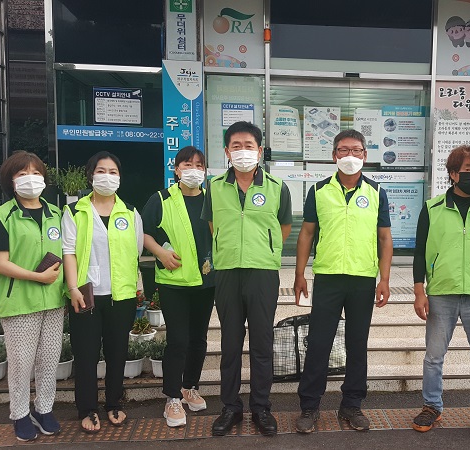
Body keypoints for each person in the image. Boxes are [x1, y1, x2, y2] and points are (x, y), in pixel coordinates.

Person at [293, 129, 393, 433]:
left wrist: (384, 279)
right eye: (343, 150)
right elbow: (307, 233)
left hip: (363, 279)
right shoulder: (319, 190)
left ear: (365, 155)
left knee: (356, 344)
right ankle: (309, 407)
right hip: (328, 278)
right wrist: (299, 274)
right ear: (334, 155)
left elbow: (385, 238)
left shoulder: (376, 192)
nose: (350, 156)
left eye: (357, 150)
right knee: (319, 344)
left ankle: (352, 405)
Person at [409, 145, 470, 443]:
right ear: (453, 174)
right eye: (468, 170)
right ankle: (431, 406)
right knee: (434, 357)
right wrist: (418, 290)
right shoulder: (432, 208)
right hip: (442, 292)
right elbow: (419, 250)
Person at [202, 121, 293, 437]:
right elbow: (213, 225)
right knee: (229, 343)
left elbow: (283, 228)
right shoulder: (213, 186)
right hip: (227, 272)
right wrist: (230, 248)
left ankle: (261, 408)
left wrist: (260, 249)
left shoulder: (278, 187)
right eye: (236, 146)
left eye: (249, 145)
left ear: (259, 151)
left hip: (262, 272)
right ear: (227, 151)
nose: (243, 152)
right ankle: (230, 407)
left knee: (262, 344)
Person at [62, 151, 144, 433]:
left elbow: (136, 252)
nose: (107, 176)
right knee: (85, 355)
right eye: (101, 170)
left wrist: (136, 287)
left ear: (119, 178)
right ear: (91, 175)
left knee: (117, 352)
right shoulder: (75, 211)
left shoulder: (130, 212)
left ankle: (114, 404)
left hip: (121, 296)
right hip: (85, 294)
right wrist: (72, 287)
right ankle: (87, 408)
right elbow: (68, 252)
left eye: (113, 172)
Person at [0, 151, 64, 442]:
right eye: (22, 174)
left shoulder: (55, 213)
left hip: (53, 300)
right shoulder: (2, 216)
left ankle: (44, 409)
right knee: (21, 362)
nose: (30, 179)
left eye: (35, 173)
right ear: (11, 180)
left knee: (49, 359)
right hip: (19, 301)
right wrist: (38, 277)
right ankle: (19, 413)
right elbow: (0, 263)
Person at [142, 146, 215, 428]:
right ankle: (172, 398)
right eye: (188, 164)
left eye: (199, 165)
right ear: (176, 169)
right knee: (179, 340)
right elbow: (144, 233)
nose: (194, 169)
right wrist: (159, 253)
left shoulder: (212, 199)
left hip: (206, 281)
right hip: (174, 282)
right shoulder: (161, 199)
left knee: (198, 339)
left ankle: (189, 387)